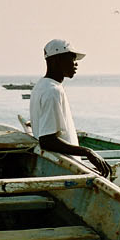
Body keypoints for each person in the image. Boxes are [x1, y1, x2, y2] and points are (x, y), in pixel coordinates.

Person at [29, 39, 110, 173]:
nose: (76, 64)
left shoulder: (40, 86)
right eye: (71, 58)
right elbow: (47, 140)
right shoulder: (52, 91)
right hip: (64, 170)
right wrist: (87, 152)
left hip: (56, 167)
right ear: (56, 60)